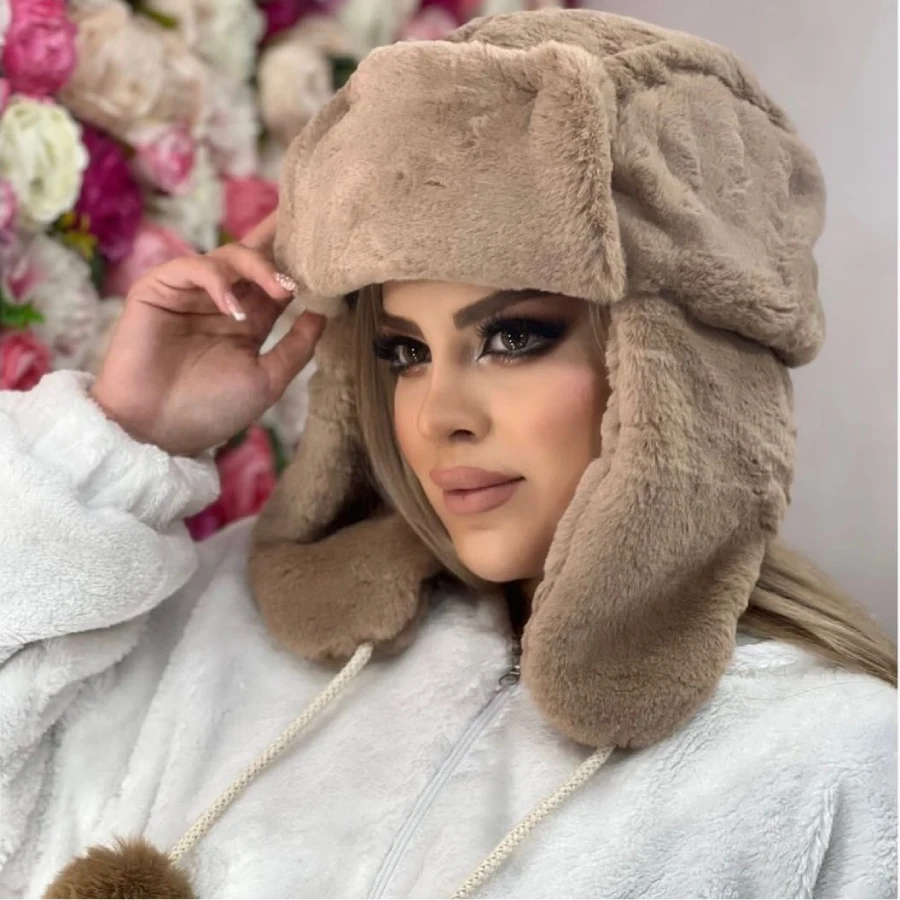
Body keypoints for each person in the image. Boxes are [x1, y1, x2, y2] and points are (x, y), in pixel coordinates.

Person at [1, 9, 896, 900]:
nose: (438, 417)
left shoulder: (828, 762)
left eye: (513, 339)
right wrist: (118, 444)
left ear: (682, 371)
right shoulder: (227, 621)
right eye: (403, 352)